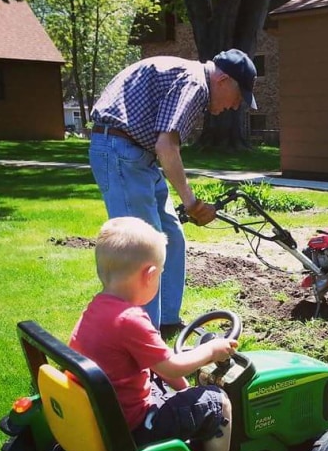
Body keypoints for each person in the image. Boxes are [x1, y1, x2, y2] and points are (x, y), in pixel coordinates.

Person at [70, 216, 261, 451]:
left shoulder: (96, 308)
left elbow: (157, 364)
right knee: (217, 402)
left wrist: (183, 388)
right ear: (149, 275)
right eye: (160, 273)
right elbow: (171, 365)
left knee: (171, 384)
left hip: (109, 413)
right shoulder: (131, 321)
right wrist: (211, 351)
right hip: (136, 426)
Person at [88, 49, 258, 339]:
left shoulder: (189, 78)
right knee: (142, 250)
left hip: (136, 154)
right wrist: (191, 202)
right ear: (223, 80)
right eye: (238, 95)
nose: (234, 105)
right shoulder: (195, 84)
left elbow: (161, 144)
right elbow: (167, 146)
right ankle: (145, 340)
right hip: (120, 152)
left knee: (171, 236)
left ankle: (166, 320)